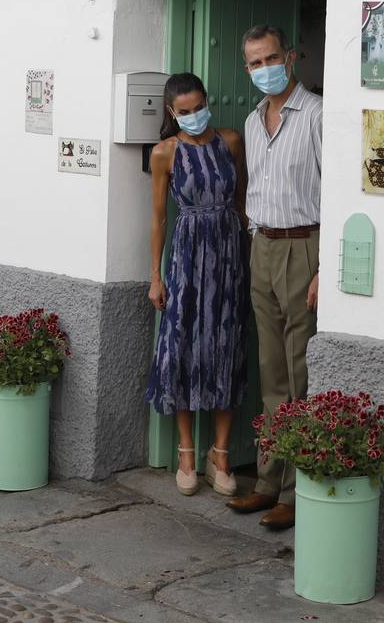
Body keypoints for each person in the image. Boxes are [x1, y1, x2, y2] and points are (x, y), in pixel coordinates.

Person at [226, 25, 322, 532]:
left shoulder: (318, 115)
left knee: (299, 371)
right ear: (246, 68)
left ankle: (294, 491)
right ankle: (266, 481)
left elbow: (338, 192)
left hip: (304, 246)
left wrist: (324, 266)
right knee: (271, 373)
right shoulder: (251, 120)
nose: (264, 68)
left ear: (290, 56)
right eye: (254, 62)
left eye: (271, 58)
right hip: (262, 246)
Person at [144, 73, 249, 497]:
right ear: (173, 113)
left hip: (228, 258)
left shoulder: (231, 141)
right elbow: (158, 217)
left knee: (227, 346)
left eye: (197, 107)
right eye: (183, 112)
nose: (192, 116)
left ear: (208, 101)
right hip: (186, 259)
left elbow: (242, 202)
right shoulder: (164, 153)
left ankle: (219, 454)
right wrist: (155, 275)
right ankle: (187, 452)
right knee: (183, 348)